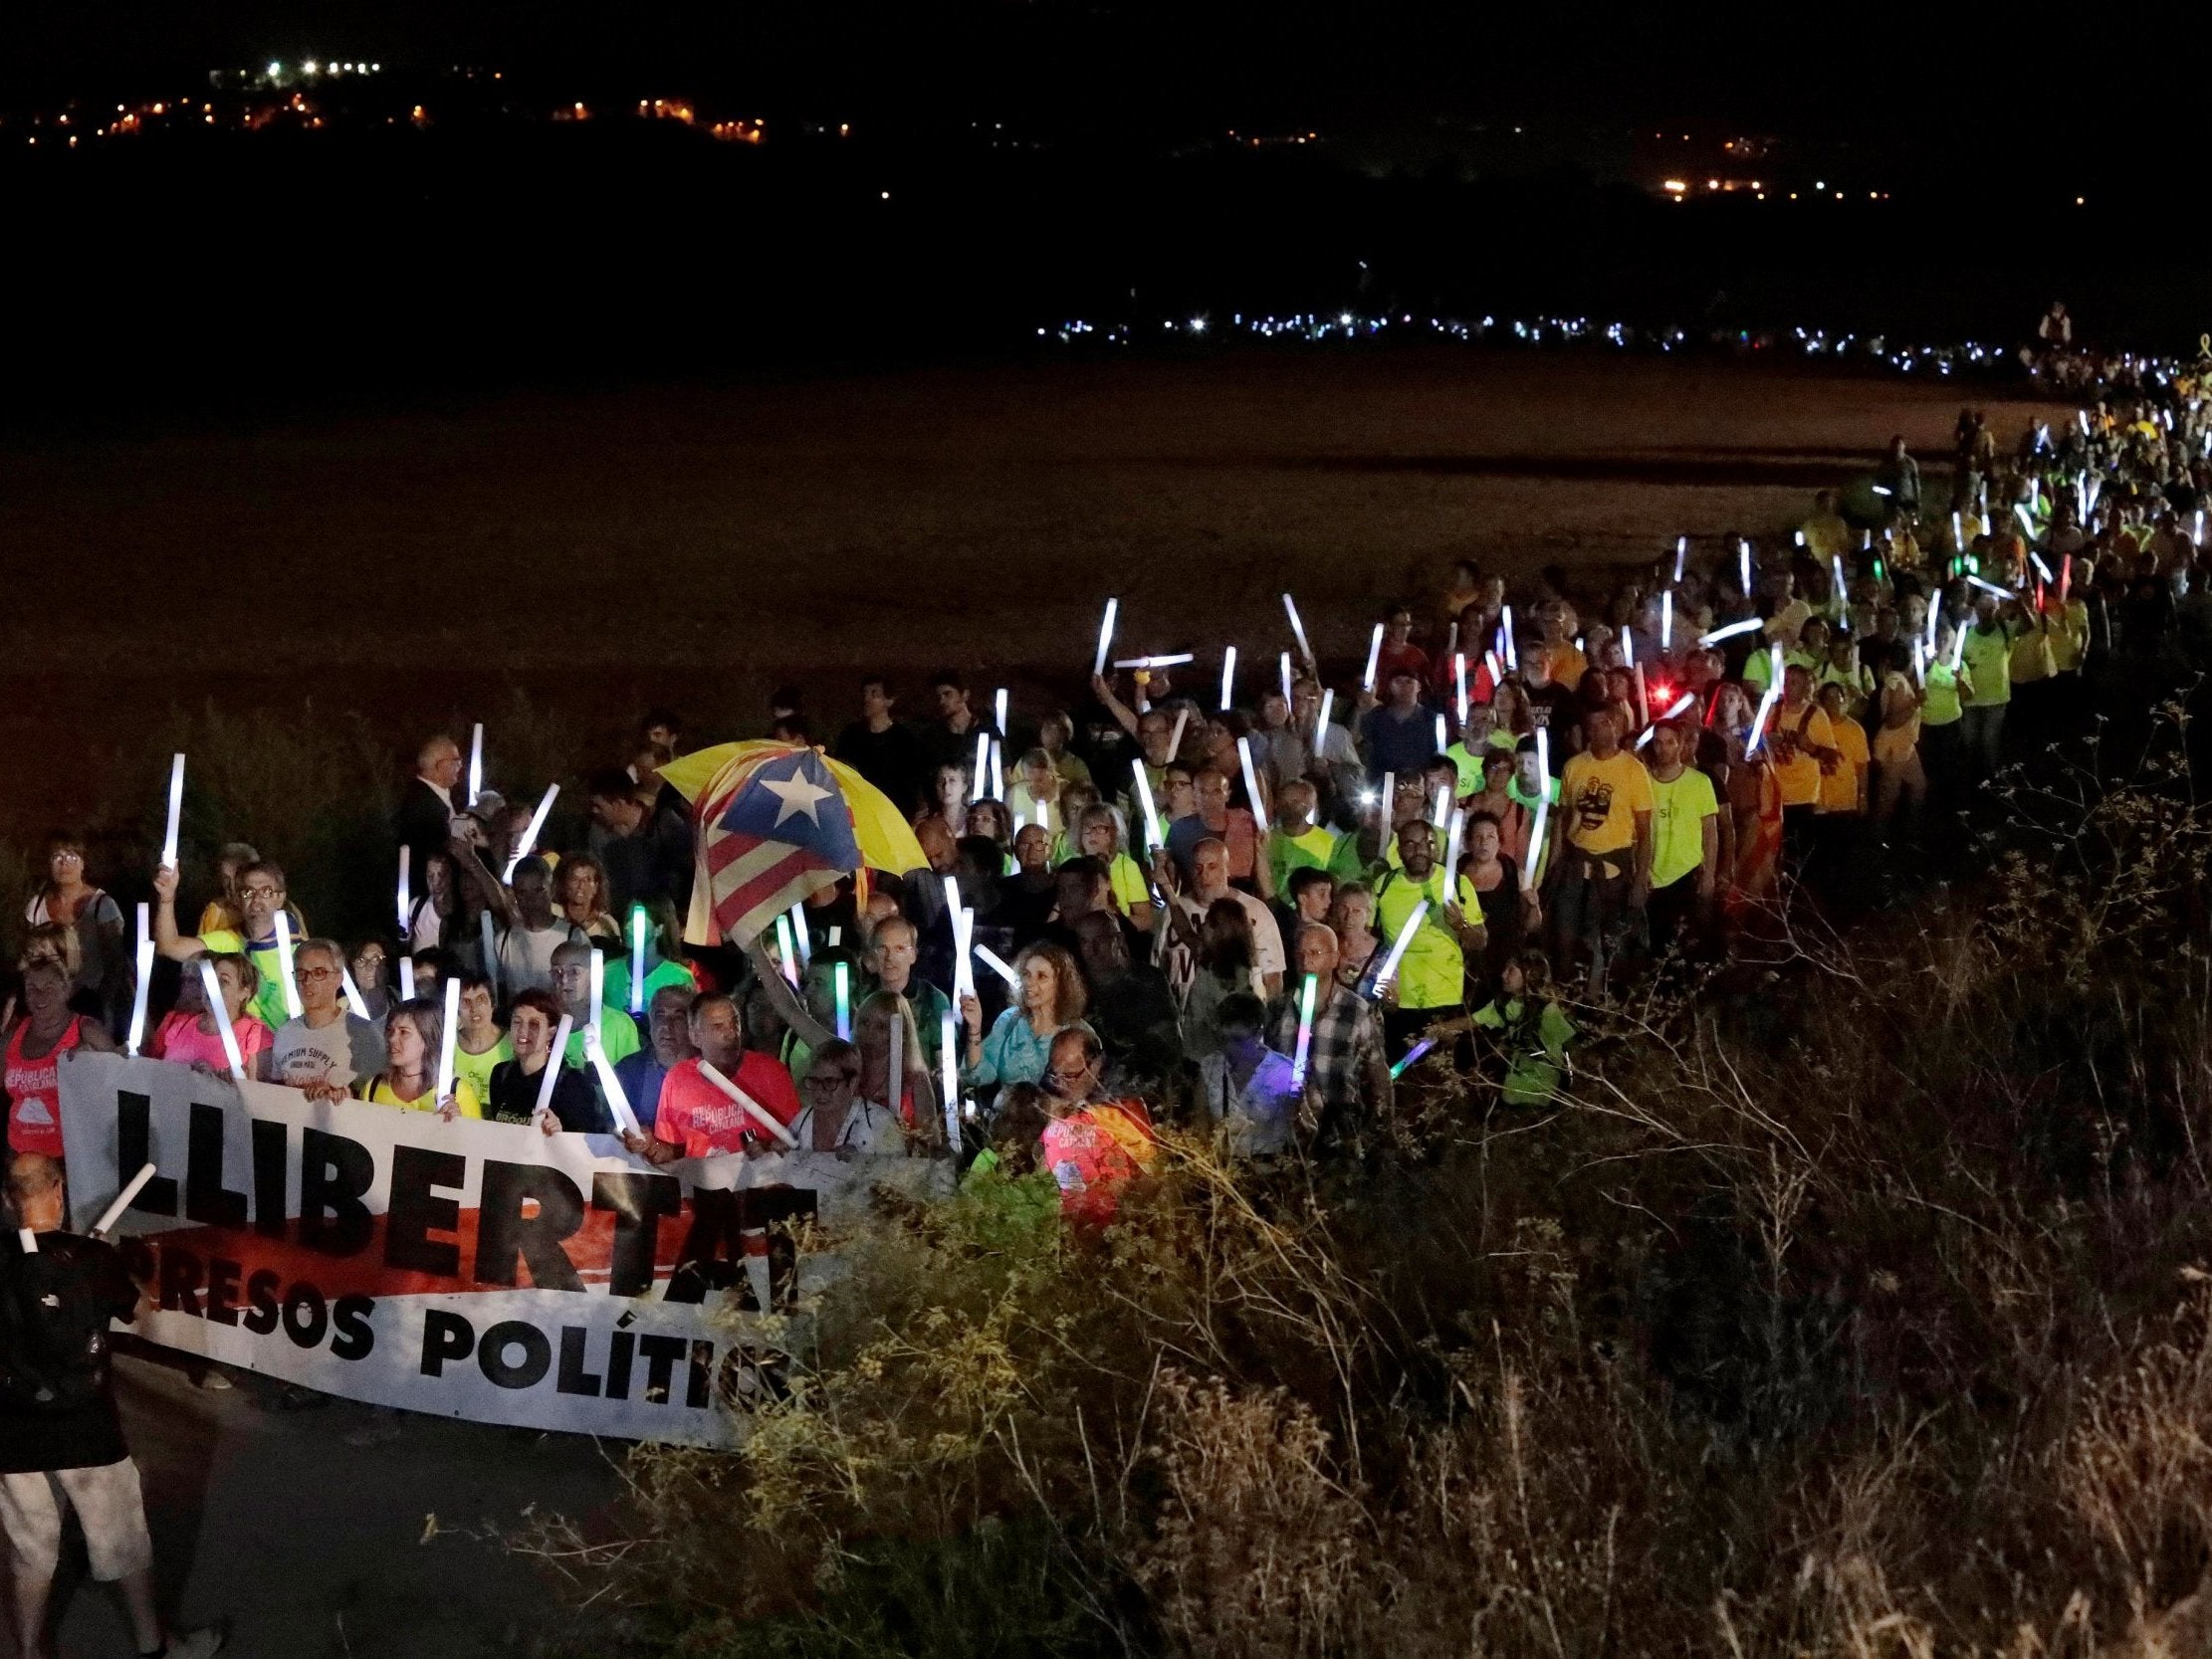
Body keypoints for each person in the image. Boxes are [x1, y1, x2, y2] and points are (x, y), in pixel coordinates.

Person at [0, 1153, 226, 1659]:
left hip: (14, 1433)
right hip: (88, 1431)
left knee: (30, 1553)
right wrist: (102, 1272)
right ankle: (157, 1648)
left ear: (7, 1201)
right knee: (122, 1545)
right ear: (58, 1191)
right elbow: (145, 1315)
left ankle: (30, 1654)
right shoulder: (93, 1260)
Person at [621, 993, 803, 1162]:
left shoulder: (772, 1072)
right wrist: (651, 1145)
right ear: (694, 1036)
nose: (730, 1033)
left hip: (762, 1188)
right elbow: (673, 1152)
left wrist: (771, 1149)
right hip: (703, 1190)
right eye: (718, 1026)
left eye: (735, 1023)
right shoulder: (678, 1079)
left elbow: (798, 1141)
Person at [1548, 707, 1653, 988]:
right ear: (1588, 731)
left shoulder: (1633, 769)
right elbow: (1564, 819)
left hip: (1613, 866)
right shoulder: (1574, 767)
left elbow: (1644, 831)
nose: (1602, 729)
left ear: (1615, 726)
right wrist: (1552, 868)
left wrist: (1641, 878)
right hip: (1576, 863)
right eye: (1594, 724)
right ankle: (1570, 1000)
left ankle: (1612, 1007)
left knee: (1613, 942)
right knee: (1567, 938)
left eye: (1606, 722)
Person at [1264, 925, 1392, 1151]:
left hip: (1341, 1134)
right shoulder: (1277, 1010)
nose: (1306, 961)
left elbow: (1377, 1073)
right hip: (1286, 1136)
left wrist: (1382, 1130)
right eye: (1301, 954)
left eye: (1315, 953)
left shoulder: (1356, 1011)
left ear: (1334, 959)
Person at [1370, 820, 1484, 1055]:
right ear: (1399, 851)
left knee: (1440, 1078)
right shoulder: (1383, 886)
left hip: (1445, 998)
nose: (1418, 850)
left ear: (1435, 847)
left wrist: (1461, 925)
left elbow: (1480, 941)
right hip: (1399, 1000)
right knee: (1400, 1075)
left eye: (1425, 843)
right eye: (1410, 844)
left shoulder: (1457, 884)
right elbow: (1368, 937)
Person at [151, 862, 296, 1033]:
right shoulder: (228, 941)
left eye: (266, 892)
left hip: (285, 1049)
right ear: (237, 899)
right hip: (241, 1050)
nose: (256, 900)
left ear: (280, 898)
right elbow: (168, 946)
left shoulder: (298, 951)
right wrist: (167, 898)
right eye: (248, 892)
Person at [1036, 1027, 1157, 1228]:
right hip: (1067, 1227)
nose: (1061, 1084)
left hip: (1118, 1227)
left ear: (1096, 1065)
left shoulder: (1121, 1111)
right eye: (1054, 1074)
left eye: (1070, 1075)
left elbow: (1152, 1175)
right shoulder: (1050, 1101)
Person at [6, 959, 117, 1160]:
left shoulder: (86, 1031)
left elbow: (119, 1082)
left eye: (49, 987)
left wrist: (94, 1063)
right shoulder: (12, 1036)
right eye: (32, 988)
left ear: (66, 990)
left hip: (69, 1159)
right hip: (19, 1156)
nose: (39, 995)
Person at [1068, 912, 1182, 1101]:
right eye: (1085, 942)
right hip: (1090, 1092)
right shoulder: (1075, 986)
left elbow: (1169, 1046)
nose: (1093, 949)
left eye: (1100, 940)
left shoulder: (1147, 980)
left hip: (1142, 1089)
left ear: (1118, 939)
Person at [960, 941, 1090, 1102]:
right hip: (1011, 1121)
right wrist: (974, 1027)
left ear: (1061, 984)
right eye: (1026, 974)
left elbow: (1089, 1093)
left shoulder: (1079, 1033)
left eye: (1041, 976)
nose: (1029, 983)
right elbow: (977, 1076)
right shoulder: (1010, 1020)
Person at [23, 834, 125, 1029]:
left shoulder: (102, 906)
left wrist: (104, 1007)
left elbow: (114, 963)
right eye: (57, 857)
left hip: (89, 1001)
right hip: (46, 1001)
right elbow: (30, 960)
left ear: (83, 863)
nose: (64, 864)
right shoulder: (36, 906)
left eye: (71, 857)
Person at [269, 939, 387, 1102]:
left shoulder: (363, 1032)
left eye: (318, 973)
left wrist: (345, 1095)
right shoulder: (284, 1033)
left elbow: (381, 1095)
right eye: (301, 973)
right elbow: (275, 1091)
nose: (307, 982)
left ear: (338, 979)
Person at [1642, 722, 1720, 957]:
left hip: (1686, 873)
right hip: (1652, 876)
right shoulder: (1644, 782)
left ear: (1680, 745)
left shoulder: (1699, 782)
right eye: (1658, 742)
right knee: (1657, 945)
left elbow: (1710, 831)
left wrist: (1709, 875)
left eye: (1669, 742)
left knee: (1687, 943)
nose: (1663, 748)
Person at [485, 989, 607, 1133]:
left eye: (534, 1024)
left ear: (551, 1032)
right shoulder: (501, 1074)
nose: (523, 1030)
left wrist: (560, 1131)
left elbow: (585, 1142)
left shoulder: (572, 1083)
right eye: (517, 1022)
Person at [1196, 993, 1300, 1158]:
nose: (1229, 1047)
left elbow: (1300, 1129)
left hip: (1270, 1172)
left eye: (1238, 1040)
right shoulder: (1211, 1066)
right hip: (1223, 1171)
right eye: (1223, 1039)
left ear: (1259, 1033)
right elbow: (1200, 1122)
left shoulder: (1285, 1071)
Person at [1469, 951, 1576, 1108]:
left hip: (1539, 1095)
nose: (1503, 974)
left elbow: (1572, 1048)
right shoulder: (1506, 1004)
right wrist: (1439, 1028)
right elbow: (1473, 1021)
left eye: (1511, 970)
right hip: (1513, 1090)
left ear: (1530, 975)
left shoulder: (1547, 1011)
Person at [584, 768, 693, 918]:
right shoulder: (598, 833)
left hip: (664, 917)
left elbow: (686, 868)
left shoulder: (663, 823)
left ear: (618, 804)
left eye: (599, 806)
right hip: (621, 918)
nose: (595, 811)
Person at [149, 953, 272, 1081]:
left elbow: (263, 1091)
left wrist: (218, 1081)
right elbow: (150, 1069)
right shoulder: (180, 1024)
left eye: (224, 981)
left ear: (244, 993)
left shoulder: (256, 1034)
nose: (212, 986)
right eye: (208, 979)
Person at [355, 997, 483, 1119]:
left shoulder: (458, 1093)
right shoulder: (373, 1088)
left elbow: (477, 1139)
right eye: (390, 1031)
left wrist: (459, 1124)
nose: (392, 1039)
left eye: (404, 1032)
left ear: (428, 1038)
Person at [834, 678, 928, 818]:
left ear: (889, 701)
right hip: (858, 810)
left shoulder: (904, 739)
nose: (867, 699)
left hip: (892, 812)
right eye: (865, 693)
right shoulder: (851, 735)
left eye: (874, 694)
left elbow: (911, 781)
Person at [613, 983, 696, 1135]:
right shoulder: (628, 1070)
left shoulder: (710, 1070)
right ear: (650, 1021)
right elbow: (612, 1124)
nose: (666, 1026)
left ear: (693, 1025)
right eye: (660, 1016)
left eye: (678, 1017)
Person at [549, 940, 641, 1069]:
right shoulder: (543, 1023)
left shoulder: (620, 1025)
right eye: (557, 971)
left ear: (594, 974)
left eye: (574, 971)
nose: (564, 979)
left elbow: (631, 1075)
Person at [395, 732, 465, 880]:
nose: (460, 766)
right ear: (439, 765)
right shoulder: (423, 805)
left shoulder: (434, 797)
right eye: (455, 761)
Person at [449, 971, 512, 1105]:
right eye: (466, 1002)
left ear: (492, 1004)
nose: (474, 1009)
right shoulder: (447, 1044)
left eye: (481, 1000)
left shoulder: (513, 1044)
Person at [553, 854, 621, 943]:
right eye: (574, 879)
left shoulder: (608, 924)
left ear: (596, 887)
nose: (581, 886)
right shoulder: (553, 913)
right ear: (564, 883)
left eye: (587, 880)